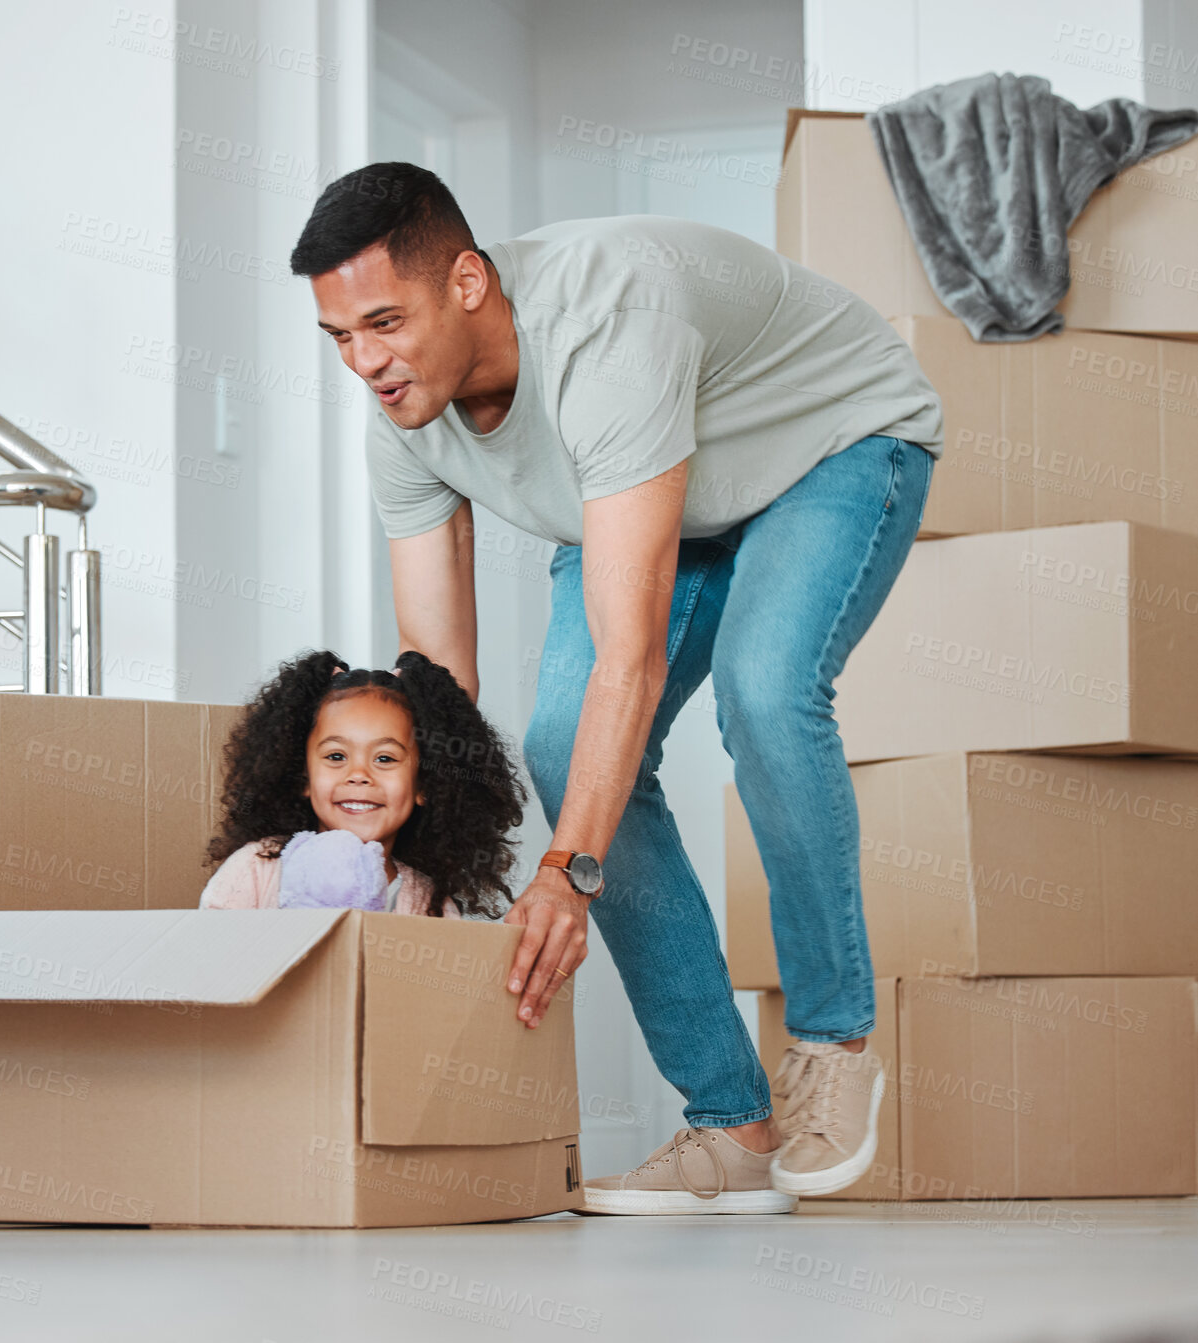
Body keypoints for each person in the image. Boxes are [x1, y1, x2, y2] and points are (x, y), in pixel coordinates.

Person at [288, 163, 944, 1212]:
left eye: (383, 323)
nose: (367, 363)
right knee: (560, 746)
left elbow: (628, 657)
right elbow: (440, 686)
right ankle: (730, 1122)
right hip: (656, 496)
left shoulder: (606, 326)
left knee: (765, 690)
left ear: (465, 281)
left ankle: (832, 1043)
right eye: (339, 339)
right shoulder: (401, 422)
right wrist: (413, 865)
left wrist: (568, 870)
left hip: (828, 443)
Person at [201, 647, 526, 919]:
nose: (358, 774)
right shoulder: (257, 869)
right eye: (336, 756)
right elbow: (211, 966)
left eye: (384, 758)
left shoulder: (431, 907)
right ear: (304, 777)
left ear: (423, 785)